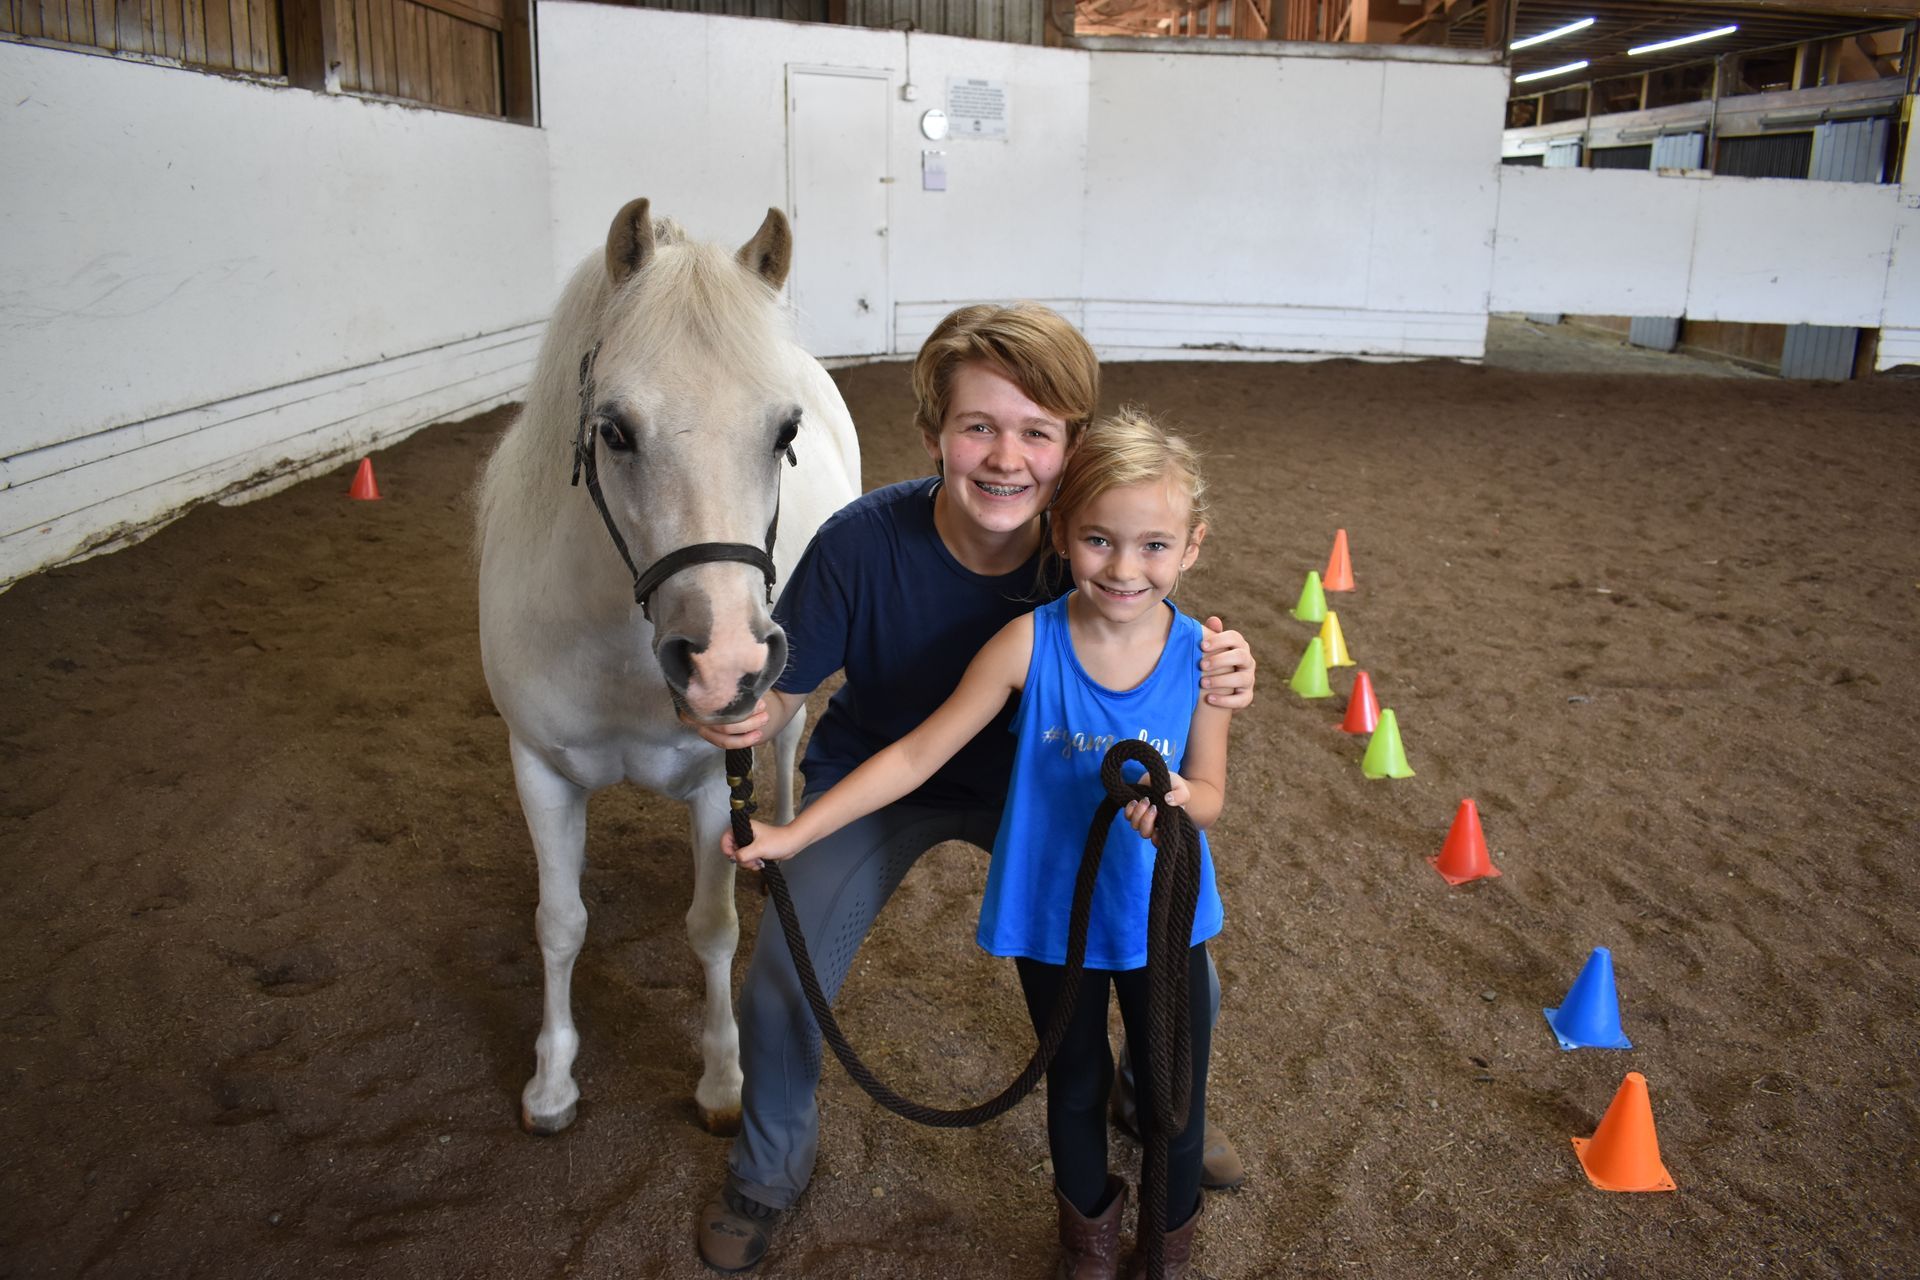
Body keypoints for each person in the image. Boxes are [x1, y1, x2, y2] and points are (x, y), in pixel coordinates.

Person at [688, 306, 1256, 1274]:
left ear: (1072, 449)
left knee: (1178, 963)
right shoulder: (861, 543)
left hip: (1052, 789)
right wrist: (742, 708)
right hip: (887, 767)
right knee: (785, 962)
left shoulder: (1091, 549)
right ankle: (770, 1164)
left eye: (1037, 432)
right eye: (977, 426)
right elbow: (786, 691)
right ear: (933, 435)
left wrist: (1227, 667)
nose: (1005, 457)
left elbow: (1164, 636)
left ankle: (1150, 1090)